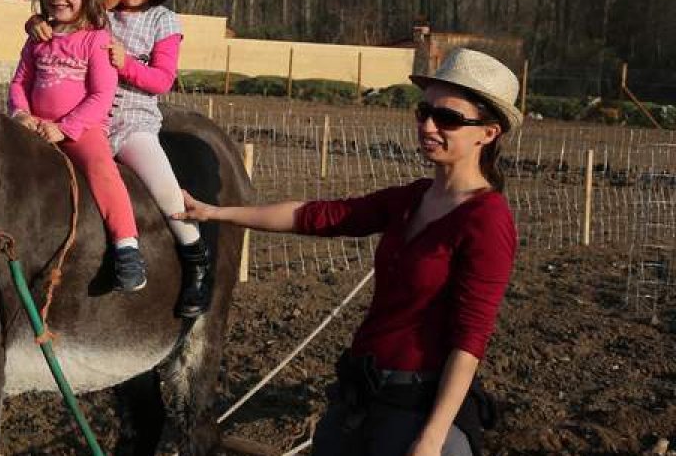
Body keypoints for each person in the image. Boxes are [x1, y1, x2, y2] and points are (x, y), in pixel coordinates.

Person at [177, 47, 520, 456]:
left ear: (489, 132)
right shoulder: (411, 198)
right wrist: (216, 211)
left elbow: (470, 342)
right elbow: (319, 216)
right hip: (360, 395)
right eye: (423, 111)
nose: (428, 125)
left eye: (447, 118)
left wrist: (431, 439)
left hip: (417, 407)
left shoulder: (487, 220)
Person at [25, 0, 212, 317]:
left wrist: (125, 63)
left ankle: (196, 262)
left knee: (165, 192)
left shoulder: (163, 21)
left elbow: (162, 80)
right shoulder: (98, 11)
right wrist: (36, 24)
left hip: (130, 125)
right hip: (80, 120)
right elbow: (62, 26)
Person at [9, 0, 146, 292]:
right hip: (34, 126)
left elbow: (102, 95)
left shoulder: (96, 40)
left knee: (102, 169)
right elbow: (19, 83)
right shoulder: (38, 37)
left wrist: (65, 128)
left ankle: (127, 247)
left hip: (80, 131)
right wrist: (21, 114)